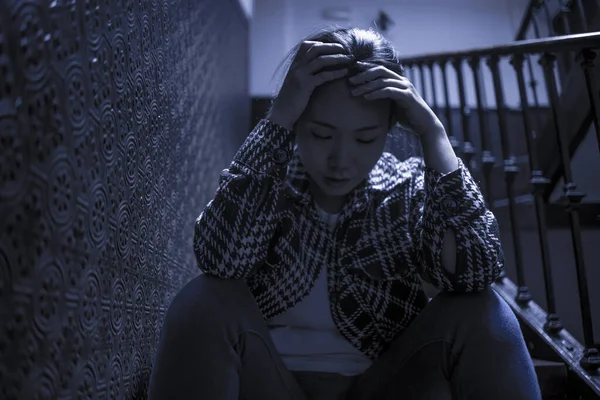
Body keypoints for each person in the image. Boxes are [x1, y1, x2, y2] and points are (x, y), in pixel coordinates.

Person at [148, 27, 542, 400]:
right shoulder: (269, 181)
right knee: (204, 296)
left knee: (483, 308)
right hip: (268, 381)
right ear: (298, 119)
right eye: (321, 134)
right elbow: (219, 259)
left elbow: (475, 274)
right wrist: (277, 118)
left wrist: (434, 134)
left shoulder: (405, 188)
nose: (341, 160)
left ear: (389, 130)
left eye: (365, 138)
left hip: (381, 386)